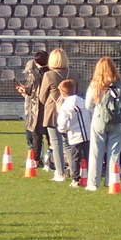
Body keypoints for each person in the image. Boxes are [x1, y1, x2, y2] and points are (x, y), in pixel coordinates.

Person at [84, 56, 121, 191]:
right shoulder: (120, 84)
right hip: (117, 121)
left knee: (96, 152)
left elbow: (88, 104)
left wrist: (97, 112)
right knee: (114, 152)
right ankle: (111, 181)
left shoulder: (95, 84)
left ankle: (93, 183)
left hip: (99, 119)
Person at [36, 49, 71, 181]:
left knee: (56, 143)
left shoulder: (49, 75)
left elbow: (42, 96)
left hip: (53, 112)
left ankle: (60, 172)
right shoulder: (73, 73)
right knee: (68, 143)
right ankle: (73, 171)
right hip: (70, 111)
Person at [56, 78, 89, 185]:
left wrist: (62, 130)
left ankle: (75, 179)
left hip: (75, 135)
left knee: (75, 158)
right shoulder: (82, 101)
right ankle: (90, 176)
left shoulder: (66, 106)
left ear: (62, 93)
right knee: (88, 156)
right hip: (87, 134)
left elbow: (62, 122)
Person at [16, 51, 46, 163]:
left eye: (29, 71)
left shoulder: (35, 76)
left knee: (35, 136)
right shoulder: (41, 76)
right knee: (34, 137)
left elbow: (32, 93)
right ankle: (37, 157)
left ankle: (36, 159)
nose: (28, 74)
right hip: (33, 109)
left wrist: (25, 90)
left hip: (34, 110)